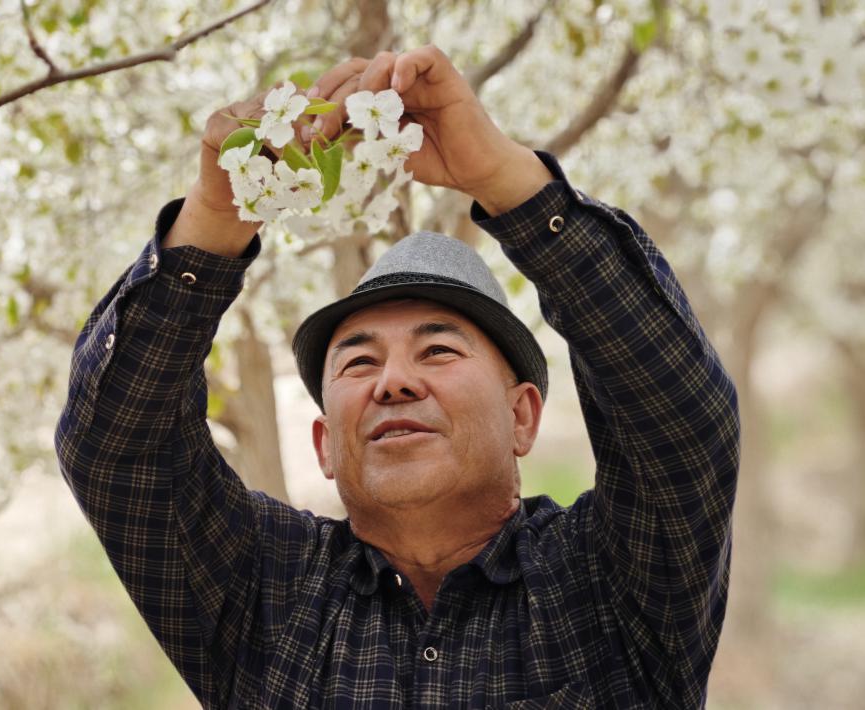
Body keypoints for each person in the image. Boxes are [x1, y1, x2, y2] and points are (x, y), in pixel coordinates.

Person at [56, 46, 739, 709]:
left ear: (523, 416)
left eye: (438, 351)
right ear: (324, 443)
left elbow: (678, 422)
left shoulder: (609, 582)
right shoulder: (266, 592)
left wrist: (505, 179)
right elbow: (121, 451)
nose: (394, 382)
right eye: (358, 361)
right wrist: (212, 222)